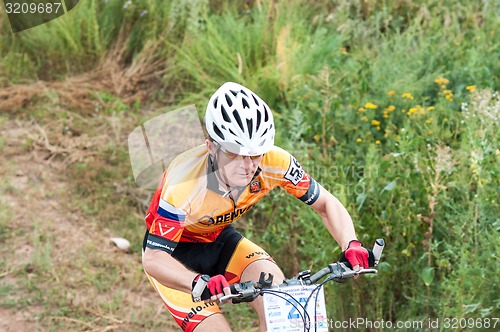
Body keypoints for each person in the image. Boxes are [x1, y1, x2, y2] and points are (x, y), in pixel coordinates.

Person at [142, 82, 374, 332]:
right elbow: (154, 258)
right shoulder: (184, 184)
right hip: (174, 255)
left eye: (255, 154)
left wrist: (351, 243)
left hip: (221, 241)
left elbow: (326, 204)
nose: (247, 164)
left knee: (285, 316)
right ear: (211, 147)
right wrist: (198, 282)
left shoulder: (275, 162)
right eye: (234, 153)